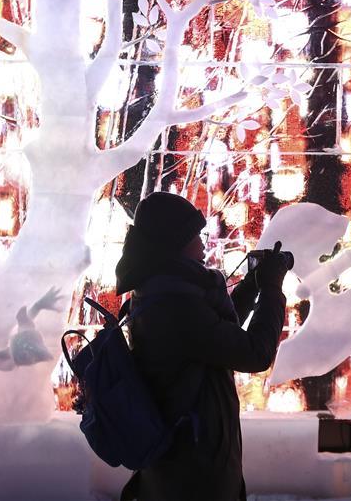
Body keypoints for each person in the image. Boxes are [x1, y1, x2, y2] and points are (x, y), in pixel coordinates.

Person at [115, 192, 288, 501]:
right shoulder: (175, 306)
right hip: (193, 474)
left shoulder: (160, 291)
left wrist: (251, 285)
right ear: (175, 243)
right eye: (195, 234)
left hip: (180, 465)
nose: (203, 243)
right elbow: (255, 352)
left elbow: (213, 336)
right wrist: (273, 289)